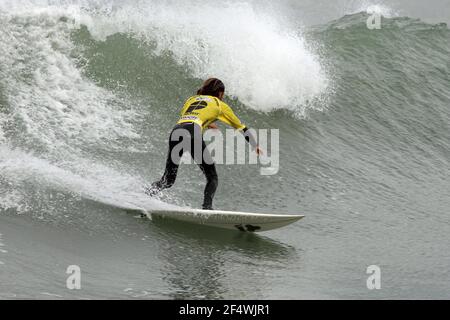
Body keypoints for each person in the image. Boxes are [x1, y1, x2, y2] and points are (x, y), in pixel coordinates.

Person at [146, 78, 262, 210]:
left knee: (167, 180)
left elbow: (191, 117)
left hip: (176, 131)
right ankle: (207, 209)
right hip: (192, 132)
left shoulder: (192, 99)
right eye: (222, 94)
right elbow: (242, 128)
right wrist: (255, 145)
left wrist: (208, 124)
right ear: (219, 93)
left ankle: (145, 195)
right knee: (212, 177)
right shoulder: (219, 104)